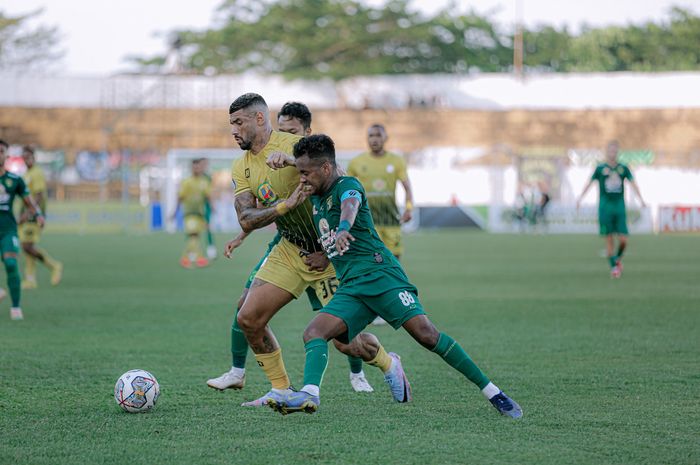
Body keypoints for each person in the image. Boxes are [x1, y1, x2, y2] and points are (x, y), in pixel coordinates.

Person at [267, 134, 522, 419]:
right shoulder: (316, 196)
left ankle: (493, 393)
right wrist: (325, 254)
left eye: (305, 173)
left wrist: (342, 228)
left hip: (381, 276)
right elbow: (341, 225)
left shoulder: (347, 186)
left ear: (326, 169)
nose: (301, 178)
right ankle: (309, 394)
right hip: (352, 287)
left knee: (427, 335)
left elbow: (350, 207)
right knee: (317, 333)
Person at [222, 93, 398, 407]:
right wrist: (284, 207)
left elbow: (338, 178)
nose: (234, 130)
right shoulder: (241, 167)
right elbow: (246, 218)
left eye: (238, 122)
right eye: (231, 123)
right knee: (248, 316)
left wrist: (293, 161)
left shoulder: (292, 145)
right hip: (291, 248)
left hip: (329, 254)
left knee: (347, 343)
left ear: (259, 119)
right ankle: (280, 389)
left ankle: (388, 363)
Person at [348, 124, 414, 325]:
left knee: (394, 264)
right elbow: (347, 189)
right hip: (367, 223)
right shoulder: (357, 163)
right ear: (367, 138)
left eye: (378, 135)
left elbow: (407, 186)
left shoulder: (396, 161)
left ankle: (399, 302)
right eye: (371, 135)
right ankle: (376, 308)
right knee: (372, 264)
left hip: (391, 221)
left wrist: (409, 207)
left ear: (386, 137)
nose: (374, 139)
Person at [577, 140, 646, 278]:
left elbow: (633, 184)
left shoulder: (623, 168)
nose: (612, 153)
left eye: (615, 151)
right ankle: (614, 267)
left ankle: (617, 259)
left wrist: (641, 200)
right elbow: (589, 183)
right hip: (605, 208)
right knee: (609, 240)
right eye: (610, 150)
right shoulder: (600, 168)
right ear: (607, 152)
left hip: (619, 207)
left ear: (617, 152)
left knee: (623, 240)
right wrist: (580, 198)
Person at [0, 139, 46, 320]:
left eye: (1, 151)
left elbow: (29, 201)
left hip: (7, 230)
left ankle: (16, 307)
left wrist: (39, 214)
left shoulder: (14, 180)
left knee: (11, 264)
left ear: (7, 156)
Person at [19, 145, 63, 289]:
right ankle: (30, 279)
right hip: (27, 214)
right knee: (27, 244)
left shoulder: (36, 173)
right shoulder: (26, 173)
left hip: (33, 215)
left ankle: (54, 265)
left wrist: (30, 213)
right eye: (24, 157)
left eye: (29, 157)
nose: (26, 160)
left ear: (34, 158)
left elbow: (39, 196)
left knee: (27, 246)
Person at [173, 158, 211, 268]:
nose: (196, 169)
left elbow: (208, 196)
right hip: (189, 213)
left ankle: (187, 258)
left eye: (198, 167)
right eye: (194, 167)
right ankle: (197, 258)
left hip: (200, 214)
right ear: (191, 168)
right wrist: (175, 211)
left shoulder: (204, 182)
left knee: (196, 236)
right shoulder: (187, 182)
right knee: (193, 235)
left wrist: (212, 207)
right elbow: (180, 197)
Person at [200, 158, 218, 260]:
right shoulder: (193, 178)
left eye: (205, 164)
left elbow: (210, 193)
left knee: (207, 227)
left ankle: (210, 249)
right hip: (194, 206)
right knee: (194, 229)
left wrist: (212, 204)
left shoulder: (207, 178)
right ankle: (193, 251)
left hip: (205, 206)